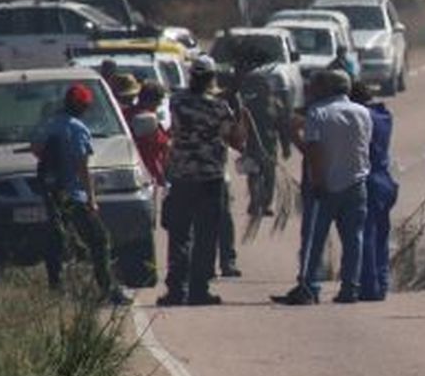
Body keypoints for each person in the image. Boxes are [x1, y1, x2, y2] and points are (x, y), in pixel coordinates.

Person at [274, 70, 372, 305]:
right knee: (353, 240)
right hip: (356, 183)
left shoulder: (318, 113)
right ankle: (350, 288)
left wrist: (316, 181)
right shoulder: (363, 113)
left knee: (314, 240)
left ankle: (308, 287)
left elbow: (314, 151)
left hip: (325, 185)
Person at [159, 55, 246, 307]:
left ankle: (176, 290)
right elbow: (237, 141)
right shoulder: (219, 108)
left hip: (182, 177)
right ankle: (199, 290)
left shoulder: (176, 102)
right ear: (211, 78)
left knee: (179, 235)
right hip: (210, 179)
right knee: (206, 237)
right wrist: (237, 109)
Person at [32, 82, 126, 304]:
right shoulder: (78, 129)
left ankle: (56, 288)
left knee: (58, 240)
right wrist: (92, 198)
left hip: (52, 193)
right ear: (83, 107)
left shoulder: (49, 125)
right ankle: (107, 289)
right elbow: (82, 165)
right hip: (74, 195)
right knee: (99, 240)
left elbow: (36, 148)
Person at [353, 81, 397, 301]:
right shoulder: (384, 117)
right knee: (381, 234)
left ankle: (369, 286)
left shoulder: (362, 118)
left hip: (369, 181)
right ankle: (382, 281)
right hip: (385, 181)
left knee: (367, 235)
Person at [238, 62, 289, 219]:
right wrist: (241, 143)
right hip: (253, 144)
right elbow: (242, 125)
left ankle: (266, 203)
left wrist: (286, 146)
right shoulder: (250, 105)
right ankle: (255, 202)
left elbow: (282, 127)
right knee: (254, 174)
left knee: (268, 176)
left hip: (270, 146)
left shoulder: (276, 105)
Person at [129, 81, 170, 185]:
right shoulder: (145, 118)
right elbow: (161, 145)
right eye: (158, 101)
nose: (159, 104)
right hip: (148, 171)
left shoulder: (125, 114)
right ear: (149, 100)